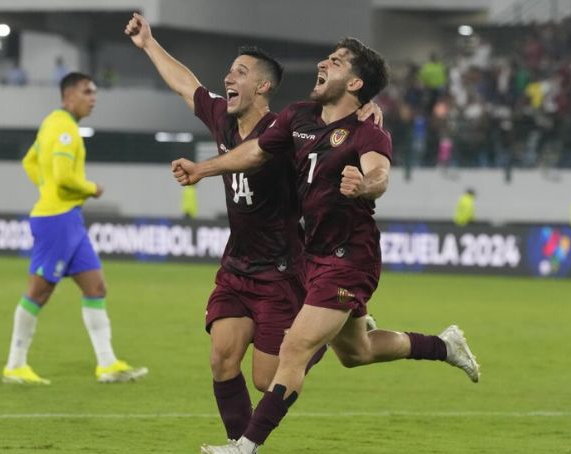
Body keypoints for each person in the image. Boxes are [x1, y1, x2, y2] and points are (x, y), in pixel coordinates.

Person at [172, 37, 481, 454]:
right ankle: (444, 345)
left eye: (335, 61)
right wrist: (203, 170)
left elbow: (380, 175)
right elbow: (254, 154)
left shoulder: (367, 132)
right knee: (357, 352)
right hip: (313, 255)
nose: (323, 63)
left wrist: (364, 186)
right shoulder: (299, 117)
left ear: (354, 84)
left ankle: (243, 447)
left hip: (349, 257)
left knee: (294, 350)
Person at [124, 14, 382, 442]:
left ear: (263, 87)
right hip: (237, 266)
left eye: (240, 72)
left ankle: (329, 330)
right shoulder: (223, 119)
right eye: (229, 71)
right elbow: (186, 85)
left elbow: (333, 124)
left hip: (282, 271)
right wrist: (149, 43)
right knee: (222, 358)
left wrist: (369, 116)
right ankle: (238, 447)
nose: (228, 77)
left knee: (267, 378)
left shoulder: (283, 133)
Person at [2, 72, 147, 385]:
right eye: (86, 92)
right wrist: (91, 187)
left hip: (67, 219)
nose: (93, 98)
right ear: (68, 96)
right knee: (39, 292)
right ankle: (15, 365)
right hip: (57, 219)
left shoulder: (50, 123)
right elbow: (66, 178)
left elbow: (29, 161)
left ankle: (107, 365)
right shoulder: (66, 130)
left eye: (94, 92)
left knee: (96, 287)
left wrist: (46, 188)